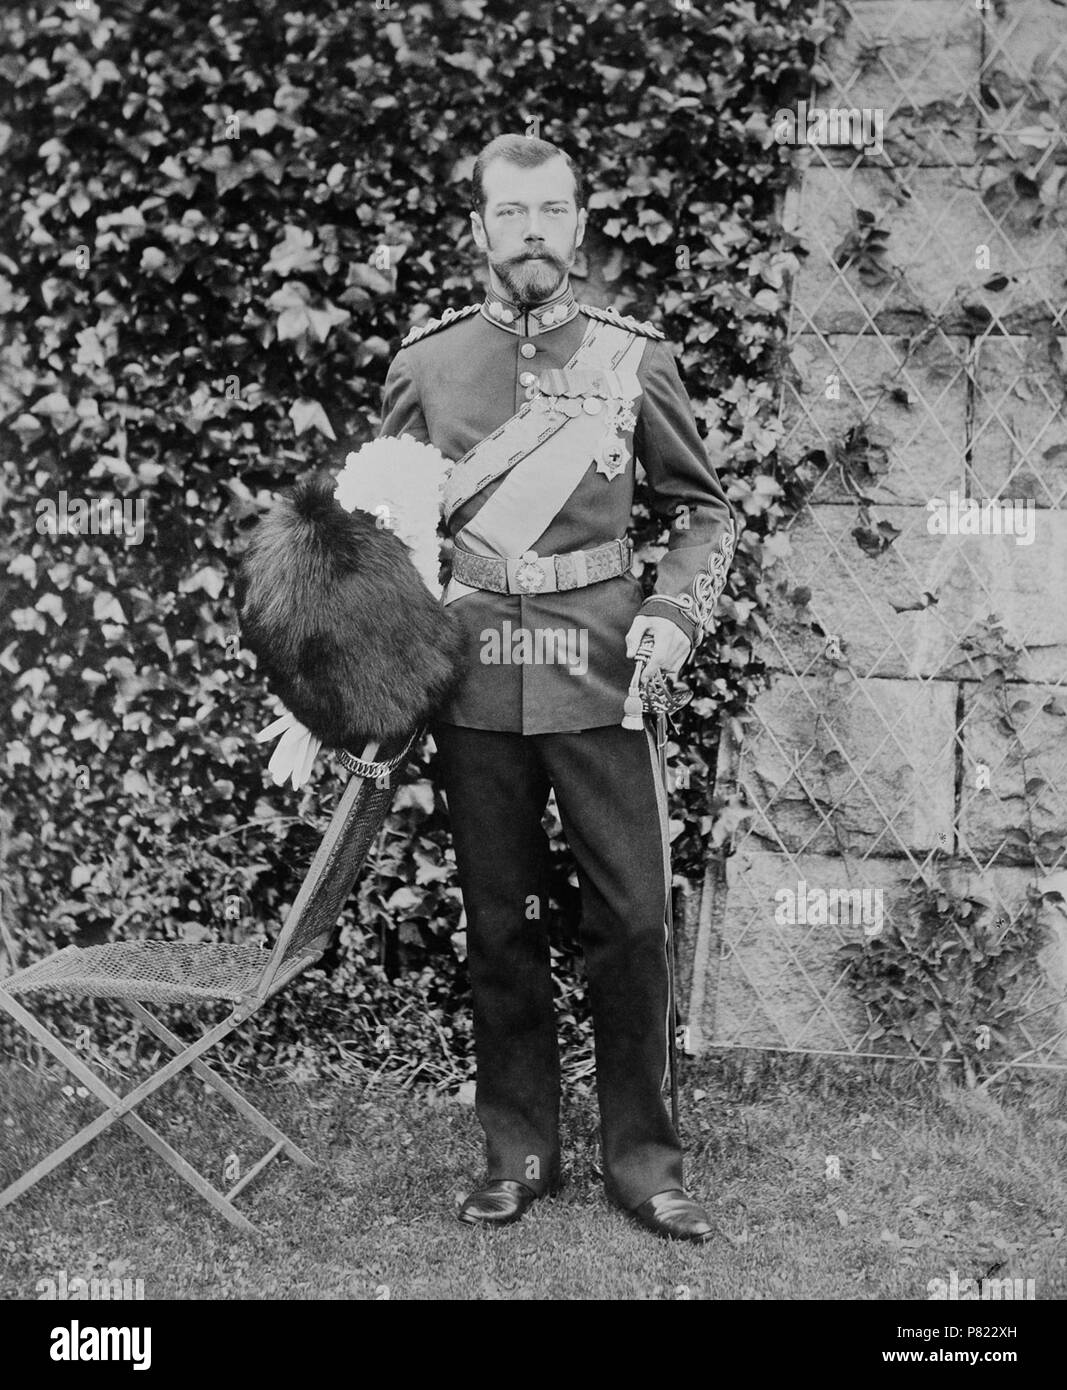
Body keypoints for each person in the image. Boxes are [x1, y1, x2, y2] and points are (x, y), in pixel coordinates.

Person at [377, 133, 737, 1241]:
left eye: (551, 211)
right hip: (474, 687)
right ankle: (517, 1147)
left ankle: (641, 1160)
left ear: (578, 227)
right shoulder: (427, 368)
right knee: (500, 925)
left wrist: (671, 618)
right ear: (478, 229)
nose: (531, 231)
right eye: (509, 212)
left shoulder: (635, 361)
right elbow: (388, 536)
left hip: (603, 675)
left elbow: (701, 515)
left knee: (629, 922)